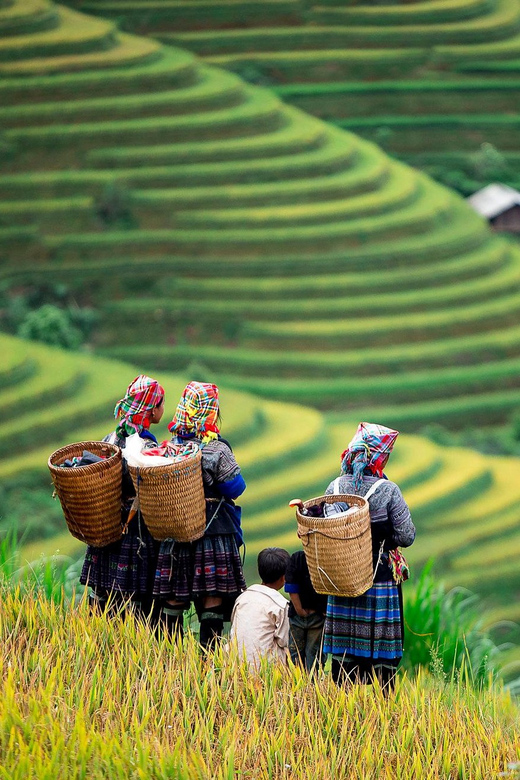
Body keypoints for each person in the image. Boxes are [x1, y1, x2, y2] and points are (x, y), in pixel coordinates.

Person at [323, 422, 415, 692]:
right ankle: (382, 710)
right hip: (380, 577)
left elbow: (331, 528)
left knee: (345, 650)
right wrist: (384, 539)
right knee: (381, 653)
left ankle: (342, 706)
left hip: (344, 579)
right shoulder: (389, 490)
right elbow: (407, 535)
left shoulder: (336, 486)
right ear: (379, 457)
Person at [153, 381, 246, 649]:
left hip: (176, 532)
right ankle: (209, 659)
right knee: (212, 597)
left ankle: (166, 656)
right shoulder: (216, 449)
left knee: (174, 597)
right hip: (211, 533)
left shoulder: (170, 447)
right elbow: (236, 487)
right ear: (209, 412)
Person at [80, 374, 165, 622]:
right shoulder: (146, 446)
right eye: (160, 403)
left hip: (107, 524)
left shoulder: (110, 438)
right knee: (134, 600)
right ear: (150, 409)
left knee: (104, 596)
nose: (162, 408)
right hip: (134, 529)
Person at [229, 547, 291, 667]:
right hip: (267, 670)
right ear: (284, 577)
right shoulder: (280, 604)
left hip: (237, 666)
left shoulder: (243, 598)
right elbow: (285, 641)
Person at [284, 550, 327, 671]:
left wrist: (299, 609)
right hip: (315, 615)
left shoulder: (297, 558)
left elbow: (291, 586)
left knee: (296, 653)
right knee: (312, 654)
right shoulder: (327, 560)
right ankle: (311, 685)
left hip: (304, 615)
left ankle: (302, 684)